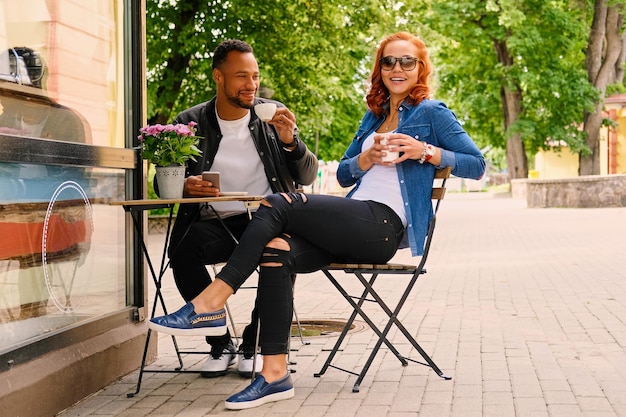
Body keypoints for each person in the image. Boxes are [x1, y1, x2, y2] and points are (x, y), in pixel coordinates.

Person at [149, 31, 486, 410]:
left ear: (420, 68)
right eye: (388, 61)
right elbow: (344, 175)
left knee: (277, 203)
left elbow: (477, 165)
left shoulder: (432, 113)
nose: (397, 68)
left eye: (407, 61)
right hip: (353, 221)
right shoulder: (374, 115)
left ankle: (211, 300)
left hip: (383, 227)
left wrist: (425, 150)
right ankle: (274, 374)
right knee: (277, 250)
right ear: (380, 68)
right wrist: (366, 158)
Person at [154, 39, 318, 378]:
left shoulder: (273, 116)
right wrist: (185, 186)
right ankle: (219, 343)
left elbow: (307, 175)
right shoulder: (191, 122)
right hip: (217, 222)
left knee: (280, 252)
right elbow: (163, 181)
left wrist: (291, 141)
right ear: (218, 77)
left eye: (255, 76)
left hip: (268, 220)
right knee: (183, 249)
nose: (251, 85)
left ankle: (253, 344)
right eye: (242, 76)